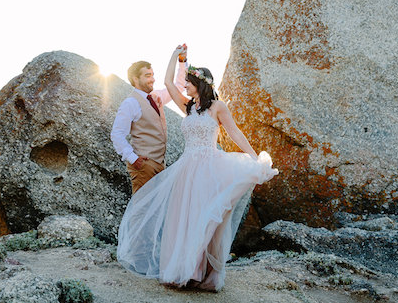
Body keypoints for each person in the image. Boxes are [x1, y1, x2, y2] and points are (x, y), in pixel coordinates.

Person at [117, 45, 278, 291]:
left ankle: (199, 271)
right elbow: (170, 83)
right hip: (186, 169)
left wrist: (254, 157)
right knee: (184, 219)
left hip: (209, 168)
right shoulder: (189, 107)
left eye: (189, 83)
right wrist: (175, 56)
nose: (185, 87)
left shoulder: (218, 107)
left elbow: (234, 133)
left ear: (199, 84)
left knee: (205, 219)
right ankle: (182, 269)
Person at [111, 47, 188, 194]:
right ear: (135, 79)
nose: (152, 79)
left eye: (152, 75)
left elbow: (178, 87)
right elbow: (117, 134)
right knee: (141, 211)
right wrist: (133, 158)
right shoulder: (130, 103)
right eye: (147, 75)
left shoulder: (155, 96)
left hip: (159, 165)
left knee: (154, 212)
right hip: (143, 166)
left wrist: (182, 60)